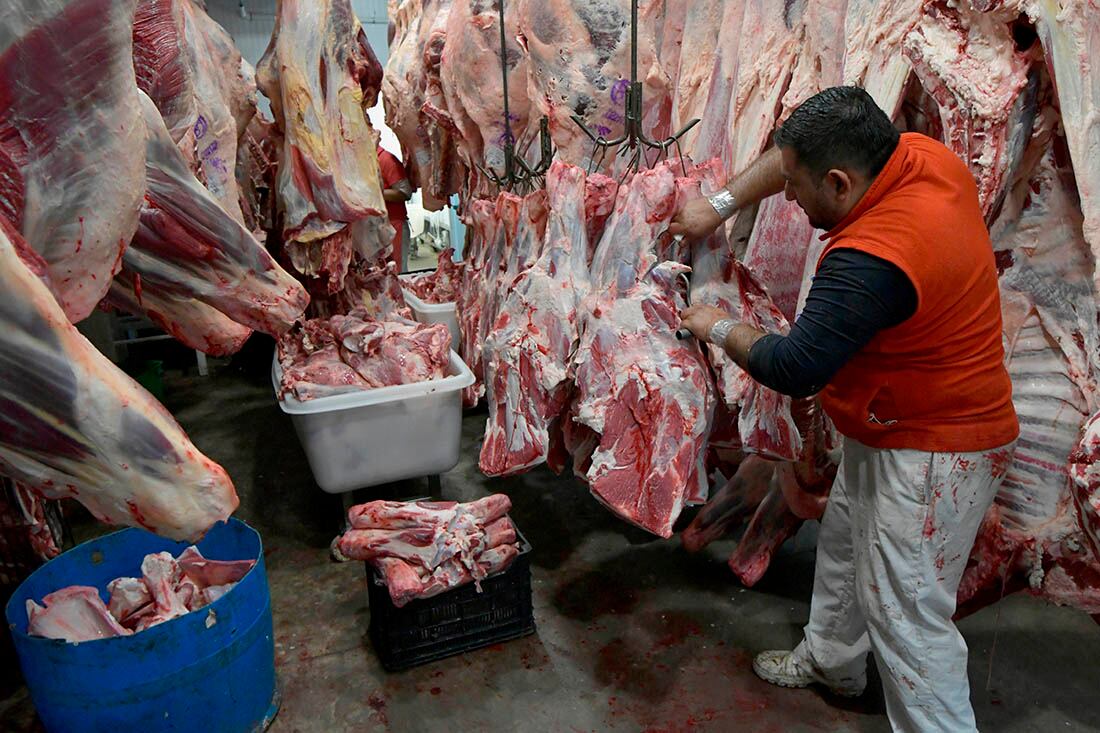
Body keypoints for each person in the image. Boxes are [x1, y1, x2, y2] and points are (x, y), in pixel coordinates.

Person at [672, 86, 1019, 733]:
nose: (790, 199)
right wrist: (717, 206)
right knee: (843, 544)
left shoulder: (872, 259)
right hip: (892, 418)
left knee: (906, 613)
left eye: (798, 190)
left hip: (936, 446)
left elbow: (794, 366)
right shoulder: (914, 156)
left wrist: (716, 325)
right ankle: (832, 660)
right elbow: (790, 158)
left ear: (838, 180)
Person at [376, 144, 414, 271]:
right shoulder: (363, 162)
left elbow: (405, 192)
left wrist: (374, 193)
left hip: (393, 225)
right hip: (372, 227)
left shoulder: (386, 159)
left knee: (396, 270)